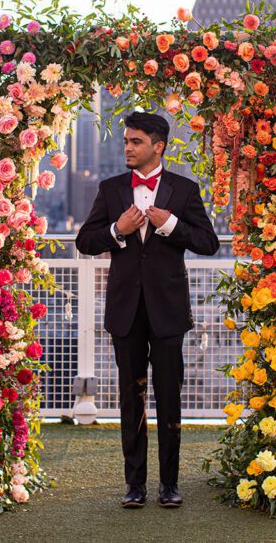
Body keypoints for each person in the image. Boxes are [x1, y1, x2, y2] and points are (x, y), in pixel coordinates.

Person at [75, 111, 220, 509]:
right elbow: (84, 241)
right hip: (125, 310)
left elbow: (209, 243)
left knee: (169, 397)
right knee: (130, 397)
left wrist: (171, 223)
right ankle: (134, 485)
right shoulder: (111, 188)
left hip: (169, 310)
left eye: (135, 141)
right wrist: (115, 231)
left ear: (158, 146)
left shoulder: (185, 190)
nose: (127, 147)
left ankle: (169, 485)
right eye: (125, 141)